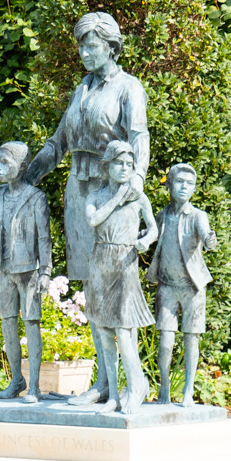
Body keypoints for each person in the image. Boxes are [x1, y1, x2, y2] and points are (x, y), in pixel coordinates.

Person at [24, 10, 149, 402]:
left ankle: (130, 383)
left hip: (113, 194)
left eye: (91, 46)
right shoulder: (81, 89)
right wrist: (26, 180)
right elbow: (58, 143)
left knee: (113, 288)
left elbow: (139, 137)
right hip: (79, 195)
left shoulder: (129, 88)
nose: (84, 53)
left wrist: (136, 184)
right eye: (80, 46)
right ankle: (104, 383)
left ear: (112, 48)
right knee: (91, 288)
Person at [78, 140, 159, 412]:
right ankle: (112, 394)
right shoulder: (96, 196)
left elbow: (153, 229)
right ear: (107, 165)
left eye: (129, 165)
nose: (124, 169)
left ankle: (137, 387)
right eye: (119, 163)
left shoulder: (139, 198)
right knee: (103, 332)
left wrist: (147, 240)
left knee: (124, 331)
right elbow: (93, 220)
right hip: (101, 263)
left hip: (125, 264)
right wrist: (117, 197)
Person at [0, 141, 53, 402]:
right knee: (8, 326)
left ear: (21, 166)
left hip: (29, 270)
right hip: (4, 270)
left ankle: (35, 387)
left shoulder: (36, 198)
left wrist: (46, 272)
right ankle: (17, 378)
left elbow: (44, 238)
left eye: (5, 162)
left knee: (31, 325)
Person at [149, 163, 216, 406]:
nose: (184, 187)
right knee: (165, 343)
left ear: (194, 189)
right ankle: (164, 387)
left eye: (189, 183)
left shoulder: (199, 216)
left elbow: (206, 234)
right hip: (166, 287)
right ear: (169, 184)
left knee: (191, 339)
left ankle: (188, 389)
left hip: (192, 288)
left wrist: (210, 239)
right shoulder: (162, 215)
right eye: (179, 182)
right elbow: (150, 237)